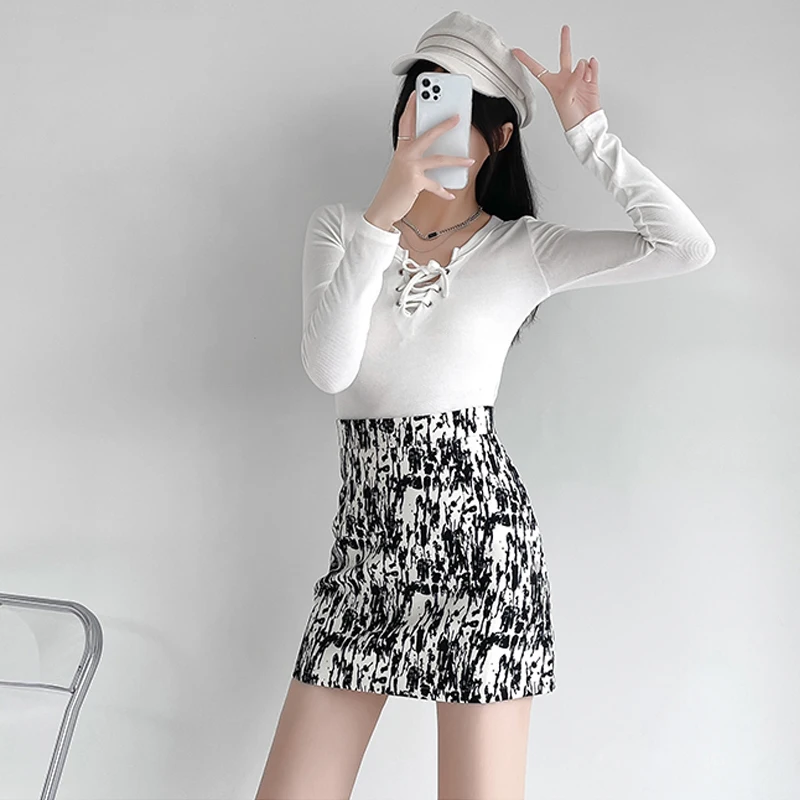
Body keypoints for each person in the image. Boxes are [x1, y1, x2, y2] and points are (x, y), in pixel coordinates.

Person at [255, 10, 716, 800]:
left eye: (453, 105)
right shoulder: (342, 229)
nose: (425, 115)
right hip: (364, 557)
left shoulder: (522, 248)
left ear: (498, 137)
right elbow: (329, 371)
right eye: (419, 94)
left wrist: (590, 133)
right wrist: (383, 215)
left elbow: (684, 247)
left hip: (484, 556)